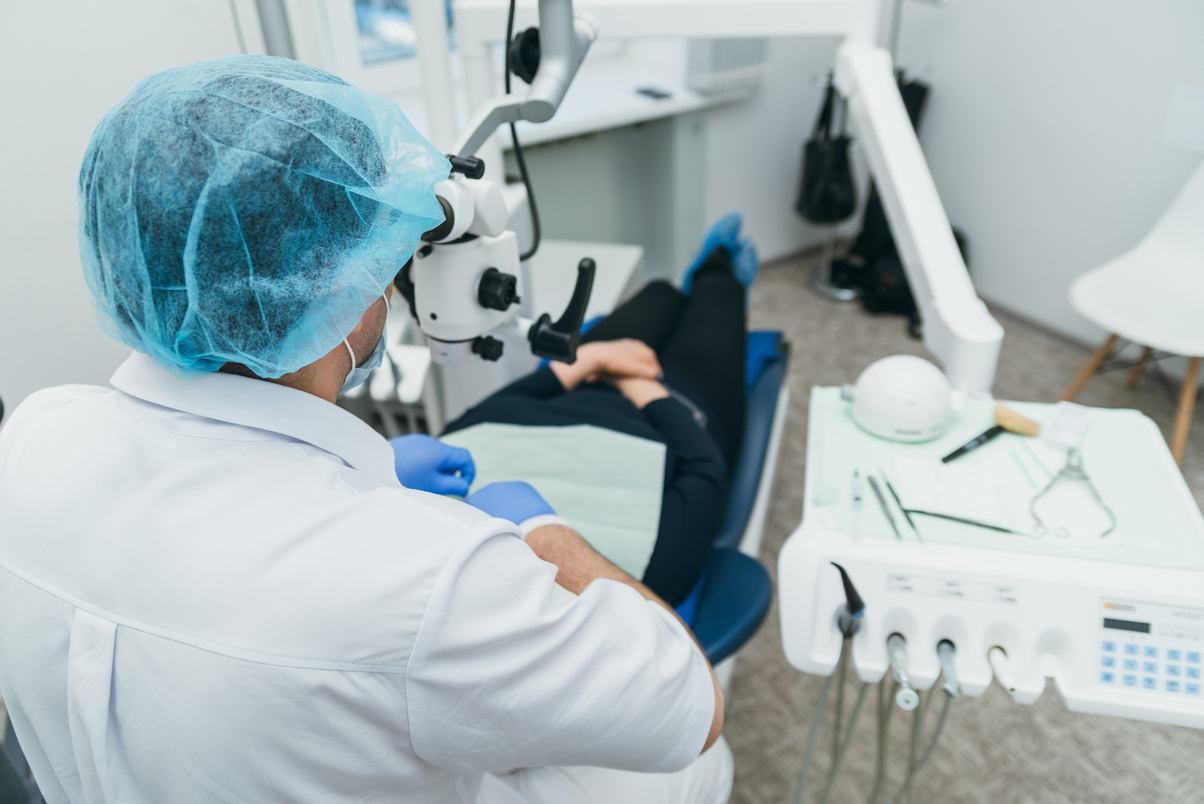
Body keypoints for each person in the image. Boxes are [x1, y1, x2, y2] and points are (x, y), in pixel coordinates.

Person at [0, 56, 729, 803]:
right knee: (701, 769)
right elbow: (690, 705)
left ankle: (709, 276)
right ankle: (721, 274)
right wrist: (540, 529)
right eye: (386, 254)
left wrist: (371, 478)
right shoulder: (432, 584)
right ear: (344, 289)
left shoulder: (32, 438)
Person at [439, 219, 760, 608]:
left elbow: (487, 415)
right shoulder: (631, 583)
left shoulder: (440, 488)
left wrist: (595, 359)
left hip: (584, 378)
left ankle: (689, 284)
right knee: (720, 292)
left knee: (659, 295)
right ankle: (718, 266)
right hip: (678, 405)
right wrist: (641, 387)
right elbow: (703, 470)